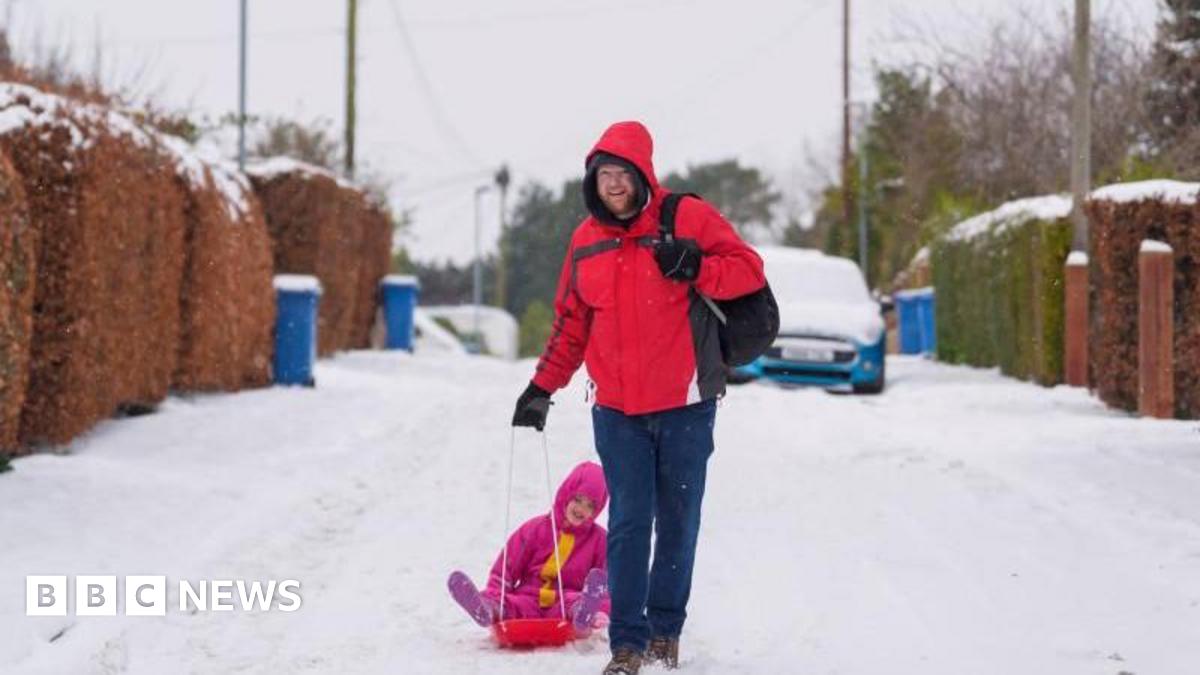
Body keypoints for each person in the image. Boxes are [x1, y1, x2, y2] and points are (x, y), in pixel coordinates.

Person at [511, 121, 766, 674]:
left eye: (623, 173)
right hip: (618, 412)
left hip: (686, 404)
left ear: (643, 174)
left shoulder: (688, 218)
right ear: (593, 180)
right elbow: (570, 325)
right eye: (605, 175)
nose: (615, 184)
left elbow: (749, 271)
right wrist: (541, 388)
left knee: (677, 518)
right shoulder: (585, 241)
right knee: (629, 520)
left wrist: (698, 266)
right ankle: (626, 643)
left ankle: (665, 631)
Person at [447, 460, 610, 633]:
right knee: (509, 604)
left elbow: (607, 581)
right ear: (566, 494)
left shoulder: (600, 540)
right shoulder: (536, 529)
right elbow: (506, 568)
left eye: (590, 505)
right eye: (577, 499)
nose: (581, 509)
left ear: (597, 510)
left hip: (563, 603)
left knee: (574, 601)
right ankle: (488, 609)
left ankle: (584, 614)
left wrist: (602, 609)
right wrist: (496, 593)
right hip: (529, 598)